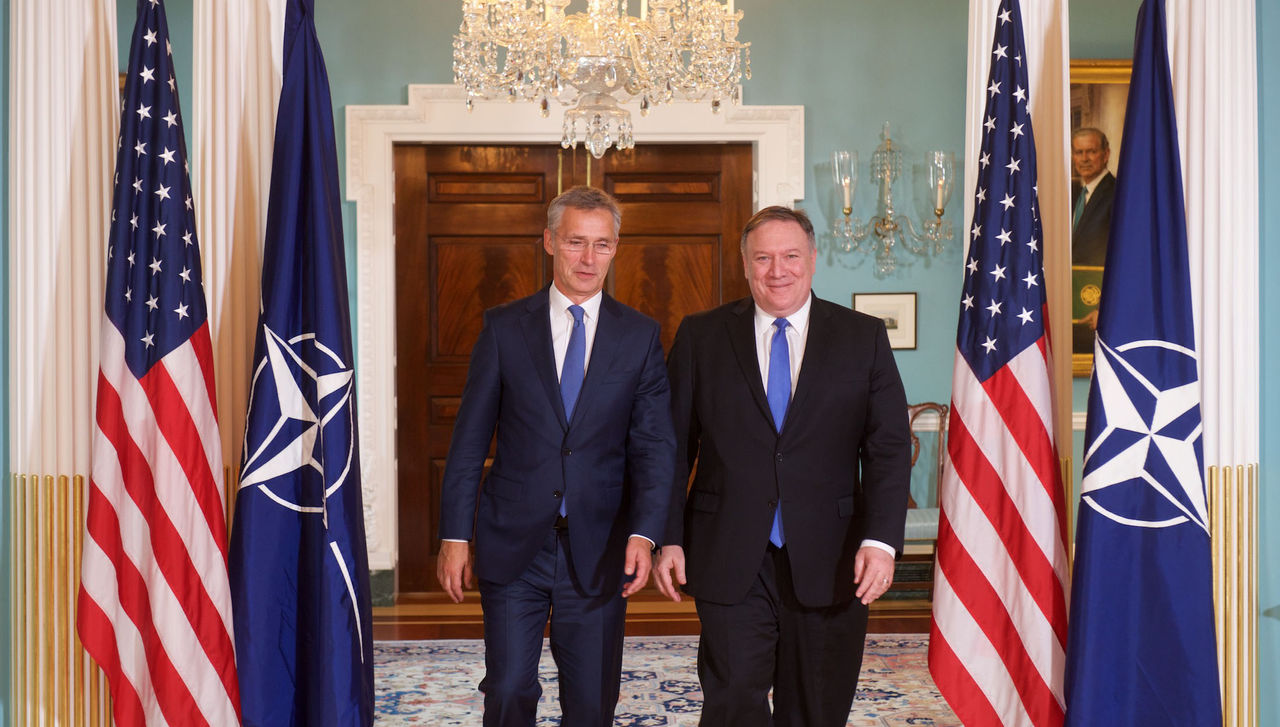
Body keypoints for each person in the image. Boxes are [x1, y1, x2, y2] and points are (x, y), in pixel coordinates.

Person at [654, 206, 911, 726]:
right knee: (732, 703)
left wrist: (880, 541)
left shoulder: (862, 337)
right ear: (746, 265)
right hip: (728, 552)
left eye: (791, 256)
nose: (778, 270)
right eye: (764, 258)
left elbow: (888, 447)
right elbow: (670, 447)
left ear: (813, 260)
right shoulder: (701, 337)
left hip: (833, 556)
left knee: (816, 708)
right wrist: (668, 536)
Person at [437, 186, 675, 727]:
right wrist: (455, 536)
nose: (589, 259)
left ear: (616, 248)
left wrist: (645, 534)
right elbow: (470, 442)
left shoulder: (639, 336)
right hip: (512, 542)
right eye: (575, 242)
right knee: (507, 689)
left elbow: (654, 447)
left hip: (600, 546)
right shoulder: (503, 328)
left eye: (602, 245)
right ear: (548, 241)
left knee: (591, 702)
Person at [1070, 127, 1116, 353]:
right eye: (1078, 152)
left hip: (1097, 314)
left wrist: (1108, 308)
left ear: (1105, 154)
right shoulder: (1072, 195)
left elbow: (1124, 259)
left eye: (1091, 151)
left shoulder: (1117, 195)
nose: (1084, 159)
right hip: (1071, 312)